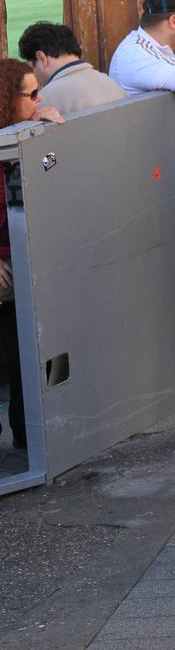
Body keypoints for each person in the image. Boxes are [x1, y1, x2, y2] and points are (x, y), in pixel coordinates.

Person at [0, 59, 55, 458]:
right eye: (31, 94)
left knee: (22, 356)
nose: (40, 100)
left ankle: (25, 436)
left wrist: (53, 133)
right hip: (5, 268)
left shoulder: (25, 137)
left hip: (21, 267)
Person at [16, 22, 126, 116]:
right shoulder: (110, 83)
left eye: (30, 68)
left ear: (41, 58)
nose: (33, 74)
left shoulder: (45, 99)